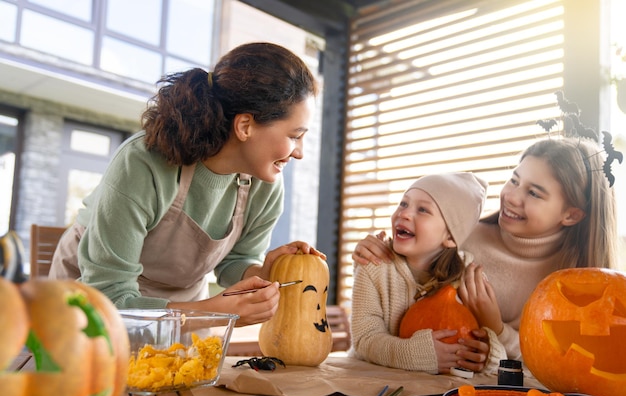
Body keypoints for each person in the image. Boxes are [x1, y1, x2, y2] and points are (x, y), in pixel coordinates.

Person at [50, 42, 324, 327]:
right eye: (295, 135)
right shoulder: (142, 164)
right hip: (91, 305)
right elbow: (110, 297)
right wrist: (211, 313)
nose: (299, 152)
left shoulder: (265, 184)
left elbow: (236, 260)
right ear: (245, 126)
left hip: (186, 309)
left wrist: (263, 271)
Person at [353, 137, 619, 360]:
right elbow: (400, 288)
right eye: (514, 181)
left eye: (534, 193)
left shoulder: (576, 285)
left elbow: (557, 363)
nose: (512, 197)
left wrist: (496, 328)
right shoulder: (463, 239)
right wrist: (375, 251)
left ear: (571, 215)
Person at [350, 172, 507, 375]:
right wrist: (414, 354)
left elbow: (495, 351)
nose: (404, 214)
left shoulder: (469, 277)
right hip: (373, 384)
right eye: (403, 203)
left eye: (423, 210)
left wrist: (488, 356)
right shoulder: (374, 266)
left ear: (450, 236)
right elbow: (365, 340)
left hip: (437, 395)